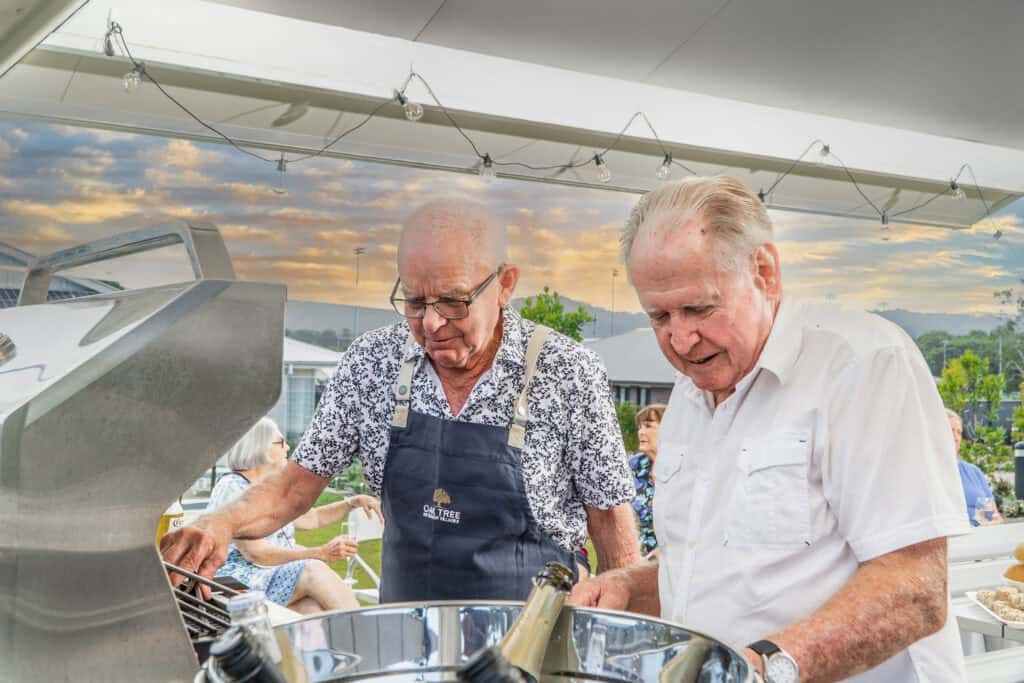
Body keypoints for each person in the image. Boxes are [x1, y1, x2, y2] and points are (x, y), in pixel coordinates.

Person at [569, 177, 970, 682]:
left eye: (699, 308)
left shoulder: (863, 362)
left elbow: (916, 589)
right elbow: (718, 571)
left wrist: (754, 670)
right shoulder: (690, 394)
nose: (680, 338)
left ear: (764, 271)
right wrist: (631, 586)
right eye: (658, 316)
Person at [162, 200, 640, 603]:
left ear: (505, 284)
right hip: (410, 637)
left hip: (532, 642)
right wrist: (219, 522)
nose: (431, 324)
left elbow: (611, 527)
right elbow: (292, 490)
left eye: (453, 301)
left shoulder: (569, 371)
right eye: (414, 302)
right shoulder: (372, 362)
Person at [205, 417, 381, 613]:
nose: (288, 448)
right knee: (313, 570)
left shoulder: (269, 489)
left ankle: (355, 642)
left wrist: (352, 502)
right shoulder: (233, 487)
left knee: (311, 609)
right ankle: (372, 633)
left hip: (267, 576)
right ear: (259, 447)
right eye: (281, 442)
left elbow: (313, 518)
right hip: (237, 584)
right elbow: (256, 553)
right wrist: (318, 553)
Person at [947, 408, 1004, 527]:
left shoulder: (974, 471)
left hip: (983, 537)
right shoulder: (929, 473)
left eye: (959, 432)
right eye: (950, 430)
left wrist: (994, 521)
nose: (956, 437)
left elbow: (995, 515)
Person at [630, 403, 666, 557]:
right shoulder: (633, 466)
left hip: (669, 559)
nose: (641, 432)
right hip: (633, 555)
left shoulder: (684, 468)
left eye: (648, 426)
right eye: (639, 427)